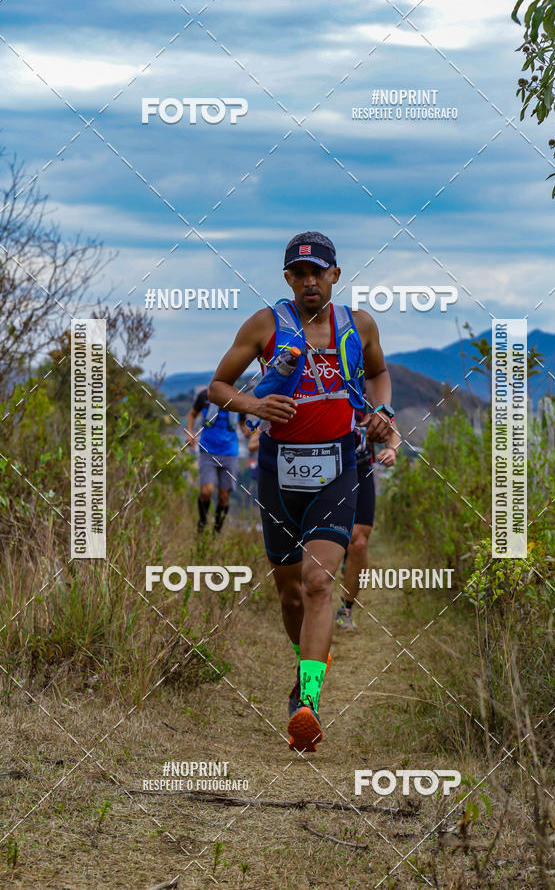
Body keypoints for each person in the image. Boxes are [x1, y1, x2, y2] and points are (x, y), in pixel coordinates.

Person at [208, 231, 394, 752]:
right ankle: (303, 675)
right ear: (288, 279)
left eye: (319, 272)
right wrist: (255, 405)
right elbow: (218, 388)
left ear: (336, 274)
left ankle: (309, 703)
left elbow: (379, 375)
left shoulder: (360, 325)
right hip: (276, 470)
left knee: (317, 584)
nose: (310, 282)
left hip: (339, 466)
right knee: (290, 593)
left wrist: (382, 413)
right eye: (300, 274)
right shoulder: (266, 324)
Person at [335, 420, 401, 631]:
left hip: (361, 469)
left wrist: (392, 450)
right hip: (322, 472)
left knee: (360, 543)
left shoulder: (367, 394)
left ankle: (345, 609)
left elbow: (393, 429)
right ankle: (310, 602)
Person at [185, 387, 249, 534]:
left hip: (230, 453)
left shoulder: (238, 398)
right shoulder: (205, 395)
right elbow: (192, 414)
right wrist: (190, 432)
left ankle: (216, 531)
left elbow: (243, 423)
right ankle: (202, 523)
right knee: (206, 491)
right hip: (207, 451)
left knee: (224, 496)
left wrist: (248, 431)